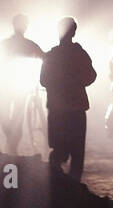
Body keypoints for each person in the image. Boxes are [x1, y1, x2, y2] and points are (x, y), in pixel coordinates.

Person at [40, 17, 97, 181]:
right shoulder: (80, 54)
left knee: (59, 149)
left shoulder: (52, 55)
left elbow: (43, 80)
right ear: (74, 32)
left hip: (57, 110)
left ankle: (55, 185)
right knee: (77, 153)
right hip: (76, 109)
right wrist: (75, 82)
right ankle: (73, 190)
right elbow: (91, 76)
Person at [0, 14, 46, 154]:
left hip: (11, 84)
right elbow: (44, 57)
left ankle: (12, 144)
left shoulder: (5, 44)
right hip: (15, 84)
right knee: (12, 116)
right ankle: (12, 140)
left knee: (5, 115)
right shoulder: (29, 45)